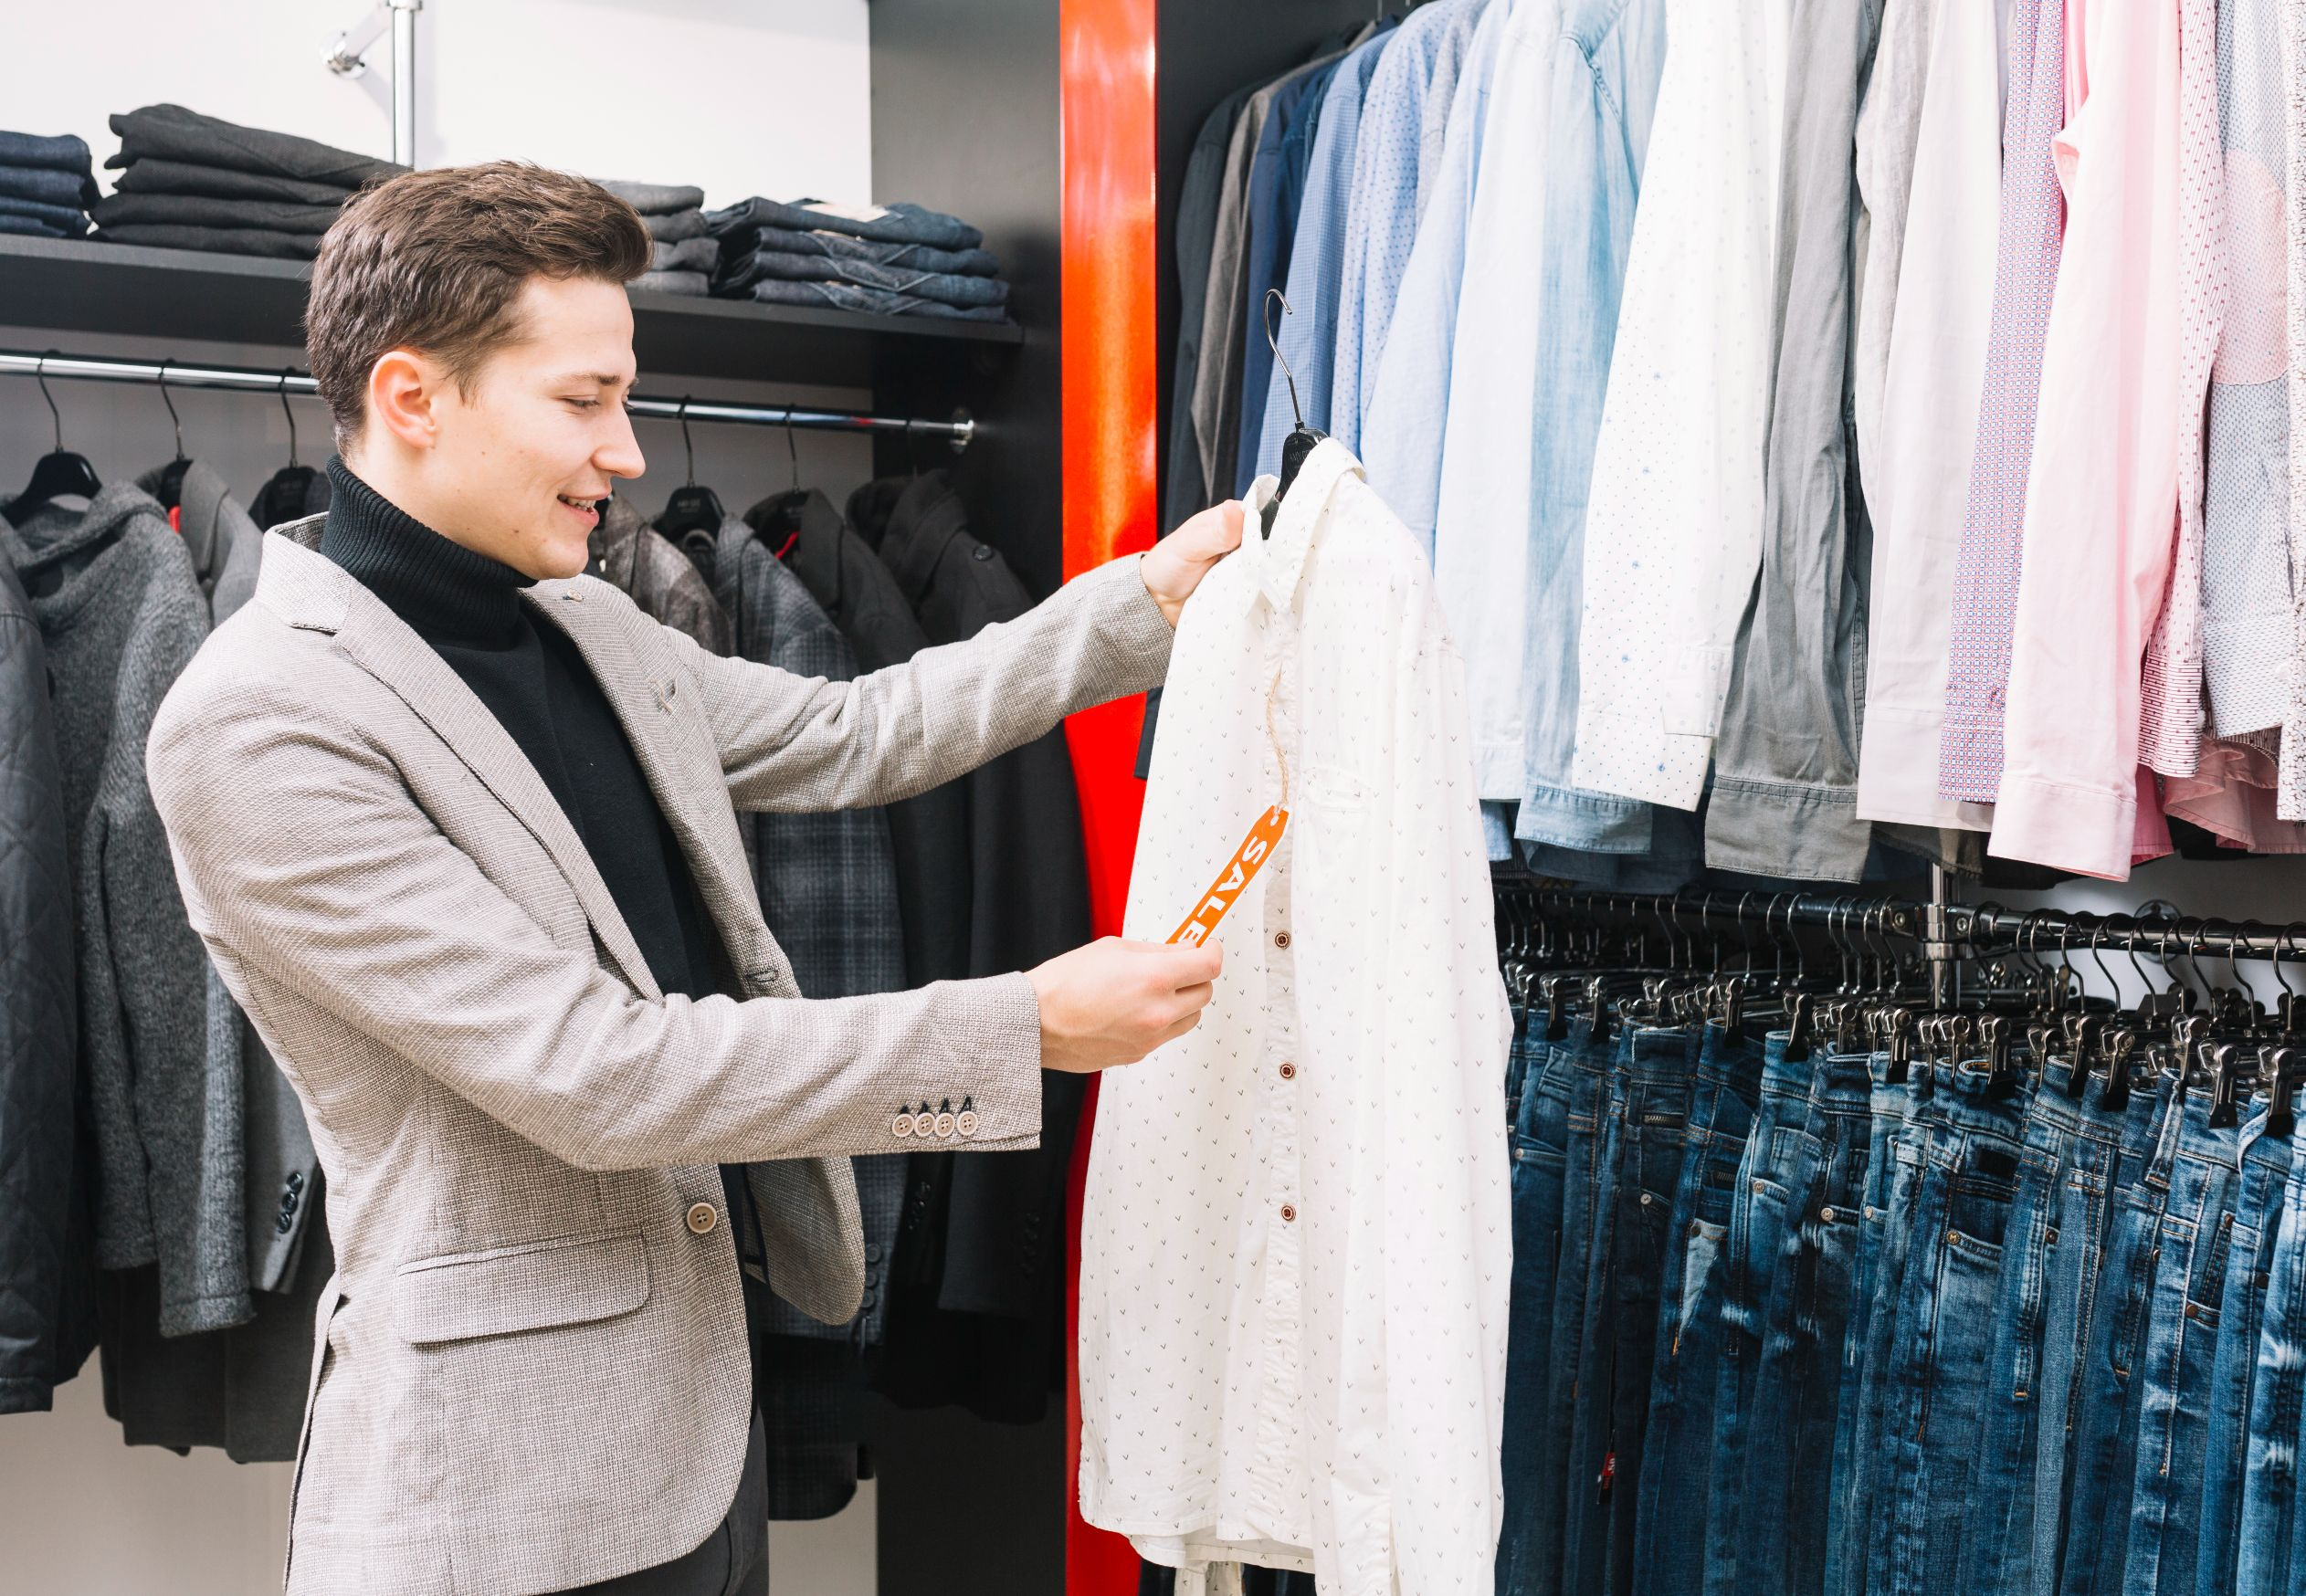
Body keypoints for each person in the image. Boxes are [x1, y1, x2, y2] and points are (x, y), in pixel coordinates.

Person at [145, 162, 1241, 1596]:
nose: (629, 454)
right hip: (499, 1496)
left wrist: (1139, 609)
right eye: (582, 401)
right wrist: (1021, 1027)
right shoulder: (261, 720)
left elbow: (857, 729)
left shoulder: (586, 623)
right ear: (413, 397)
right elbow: (595, 1074)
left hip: (696, 1425)